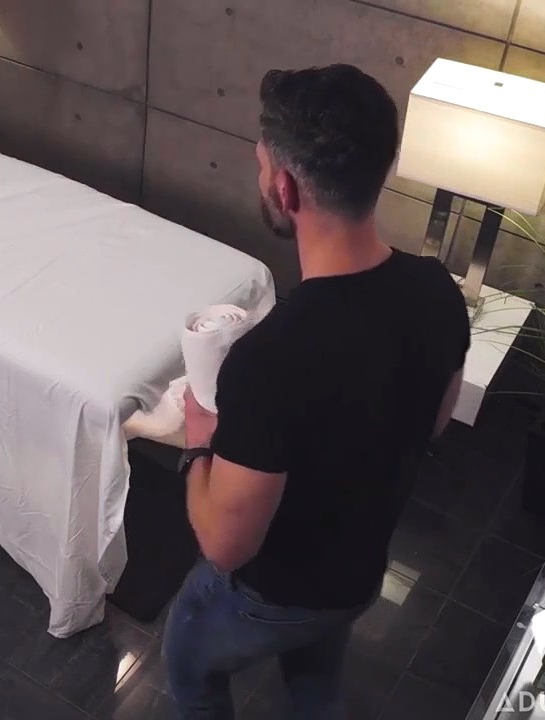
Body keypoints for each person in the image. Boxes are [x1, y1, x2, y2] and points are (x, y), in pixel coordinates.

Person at [163, 63, 471, 720]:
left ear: (285, 186)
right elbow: (434, 424)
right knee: (316, 682)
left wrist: (198, 445)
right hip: (358, 572)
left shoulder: (271, 359)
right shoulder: (439, 292)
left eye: (260, 166)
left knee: (188, 663)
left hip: (275, 596)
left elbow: (224, 545)